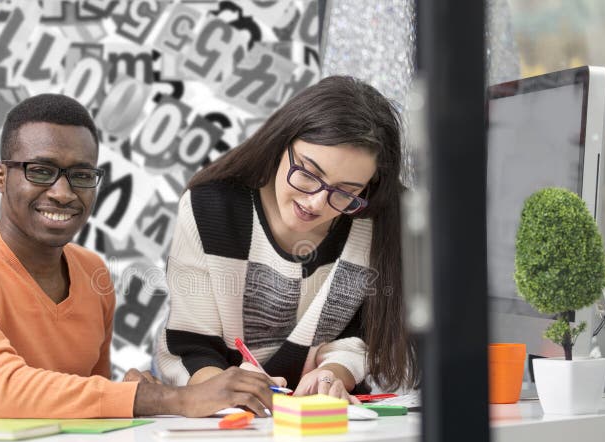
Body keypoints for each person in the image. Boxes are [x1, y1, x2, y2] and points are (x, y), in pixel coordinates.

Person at [0, 93, 274, 419]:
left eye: (81, 175)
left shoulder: (91, 271)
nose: (63, 192)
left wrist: (130, 390)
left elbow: (85, 403)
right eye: (40, 170)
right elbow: (6, 392)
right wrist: (170, 399)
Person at [155, 76, 419, 402]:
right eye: (308, 174)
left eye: (346, 192)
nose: (316, 203)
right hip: (225, 418)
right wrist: (228, 389)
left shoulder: (375, 219)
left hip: (327, 418)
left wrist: (332, 376)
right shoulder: (211, 207)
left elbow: (363, 336)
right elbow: (192, 344)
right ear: (282, 143)